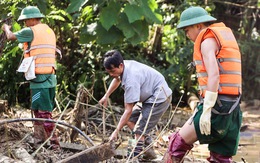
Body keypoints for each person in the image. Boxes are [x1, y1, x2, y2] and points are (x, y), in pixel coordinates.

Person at [164, 6, 242, 163]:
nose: (187, 35)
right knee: (221, 157)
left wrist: (206, 109)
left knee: (176, 143)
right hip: (232, 107)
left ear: (198, 26)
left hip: (216, 105)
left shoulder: (207, 42)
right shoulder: (224, 38)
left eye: (187, 30)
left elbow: (214, 75)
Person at [2, 6, 60, 149]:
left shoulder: (30, 31)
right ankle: (40, 140)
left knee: (43, 113)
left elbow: (10, 37)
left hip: (39, 80)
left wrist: (5, 28)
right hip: (50, 78)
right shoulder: (49, 30)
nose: (25, 24)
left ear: (32, 19)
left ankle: (54, 144)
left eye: (26, 20)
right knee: (40, 110)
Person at [99, 50, 172, 160]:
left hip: (159, 98)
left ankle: (132, 158)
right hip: (148, 96)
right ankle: (148, 149)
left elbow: (128, 110)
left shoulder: (131, 80)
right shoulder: (123, 67)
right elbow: (117, 79)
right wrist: (106, 95)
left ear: (121, 65)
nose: (111, 75)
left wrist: (116, 131)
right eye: (109, 72)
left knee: (139, 131)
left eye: (113, 71)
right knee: (131, 120)